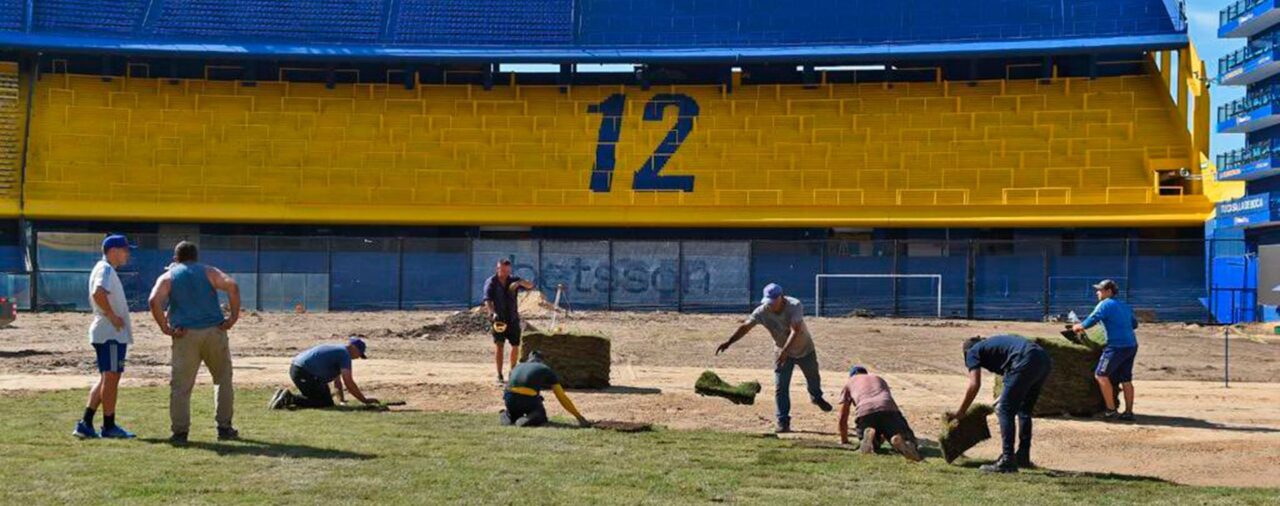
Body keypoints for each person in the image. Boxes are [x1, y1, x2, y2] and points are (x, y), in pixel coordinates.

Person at [148, 241, 241, 444]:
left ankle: (180, 432)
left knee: (181, 387)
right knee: (222, 380)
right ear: (196, 257)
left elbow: (154, 300)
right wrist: (232, 318)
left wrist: (165, 328)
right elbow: (232, 286)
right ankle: (224, 427)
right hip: (214, 332)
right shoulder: (208, 271)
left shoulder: (169, 276)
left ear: (176, 258)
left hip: (185, 335)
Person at [716, 283, 832, 434]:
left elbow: (795, 330)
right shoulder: (762, 311)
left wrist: (786, 350)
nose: (770, 305)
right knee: (780, 387)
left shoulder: (794, 305)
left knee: (813, 377)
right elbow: (746, 326)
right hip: (781, 351)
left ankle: (816, 397)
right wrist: (729, 342)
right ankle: (783, 421)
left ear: (781, 297)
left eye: (773, 301)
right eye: (767, 301)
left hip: (805, 349)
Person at [953, 335, 1052, 473]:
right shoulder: (992, 347)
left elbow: (974, 384)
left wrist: (962, 411)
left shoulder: (972, 351)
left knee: (1005, 410)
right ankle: (1023, 456)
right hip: (1043, 359)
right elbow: (1010, 375)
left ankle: (1007, 460)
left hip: (1025, 358)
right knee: (1024, 410)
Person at [73, 234, 137, 439]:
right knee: (111, 378)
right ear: (113, 251)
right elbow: (98, 292)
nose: (127, 254)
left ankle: (86, 422)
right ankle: (108, 426)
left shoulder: (106, 269)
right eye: (125, 250)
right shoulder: (106, 269)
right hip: (109, 332)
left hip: (109, 332)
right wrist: (112, 315)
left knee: (107, 378)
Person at [1072, 279, 1139, 421]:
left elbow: (1093, 319)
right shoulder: (1124, 305)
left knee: (1101, 375)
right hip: (1131, 345)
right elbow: (1134, 324)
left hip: (1116, 346)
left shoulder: (1104, 304)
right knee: (1126, 379)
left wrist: (1079, 327)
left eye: (1100, 290)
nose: (1097, 292)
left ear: (1109, 291)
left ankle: (1110, 410)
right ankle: (1128, 412)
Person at [836, 365, 921, 461]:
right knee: (901, 434)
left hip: (865, 412)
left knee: (872, 438)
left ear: (851, 376)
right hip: (888, 408)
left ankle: (870, 441)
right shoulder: (878, 378)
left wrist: (844, 440)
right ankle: (901, 441)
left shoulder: (850, 383)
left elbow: (843, 417)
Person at [269, 338, 377, 409]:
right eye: (359, 354)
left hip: (299, 369)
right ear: (354, 348)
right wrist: (364, 400)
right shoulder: (344, 355)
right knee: (322, 403)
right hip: (304, 372)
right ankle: (289, 398)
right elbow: (348, 382)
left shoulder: (338, 351)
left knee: (326, 400)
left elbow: (337, 382)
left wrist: (341, 401)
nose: (358, 357)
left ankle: (283, 395)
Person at [500, 351, 590, 428]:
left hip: (509, 399)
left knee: (514, 412)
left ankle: (507, 415)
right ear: (542, 360)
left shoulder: (517, 367)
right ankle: (527, 420)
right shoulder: (545, 369)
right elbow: (561, 396)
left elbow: (508, 387)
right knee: (541, 414)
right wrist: (579, 417)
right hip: (527, 400)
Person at [483, 259, 535, 384]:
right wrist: (492, 312)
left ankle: (513, 372)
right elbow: (487, 299)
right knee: (499, 345)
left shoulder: (513, 280)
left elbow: (530, 286)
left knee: (515, 345)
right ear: (497, 269)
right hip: (498, 318)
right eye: (502, 270)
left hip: (512, 318)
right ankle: (499, 374)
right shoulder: (492, 282)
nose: (505, 273)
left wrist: (520, 283)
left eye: (507, 270)